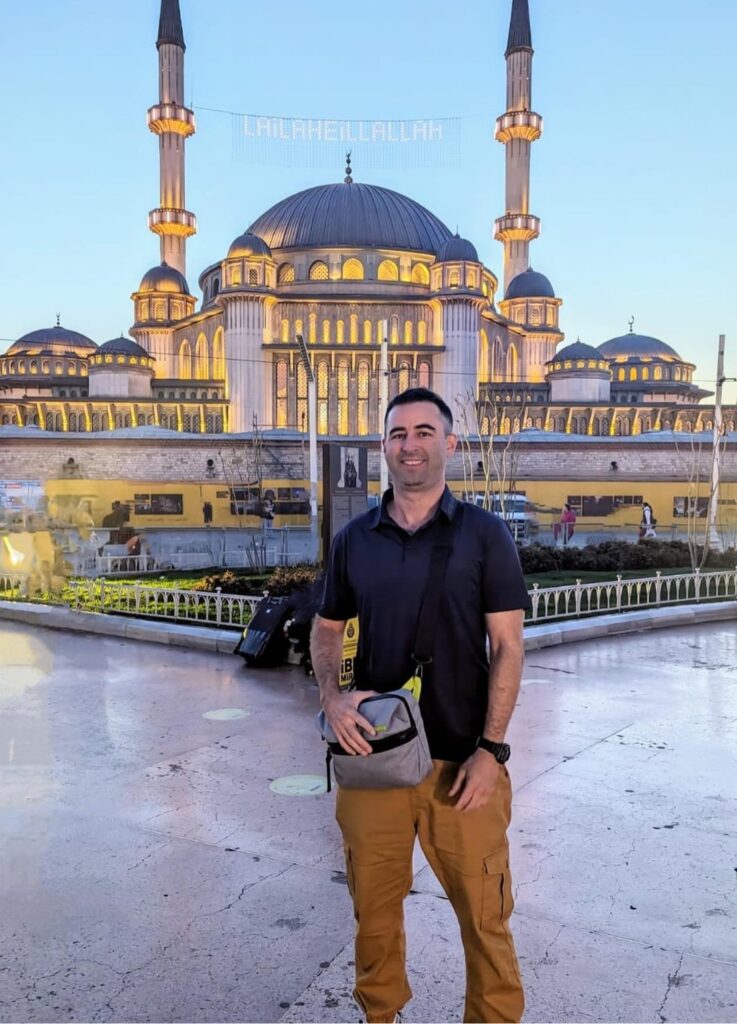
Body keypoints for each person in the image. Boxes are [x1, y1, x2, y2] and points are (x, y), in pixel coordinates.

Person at [311, 387, 530, 1024]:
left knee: (486, 922)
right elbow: (327, 629)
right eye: (399, 433)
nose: (411, 445)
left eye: (425, 432)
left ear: (450, 444)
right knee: (374, 919)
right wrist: (332, 695)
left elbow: (508, 647)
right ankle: (381, 1016)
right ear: (384, 446)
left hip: (462, 766)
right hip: (375, 762)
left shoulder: (485, 537)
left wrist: (491, 752)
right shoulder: (356, 539)